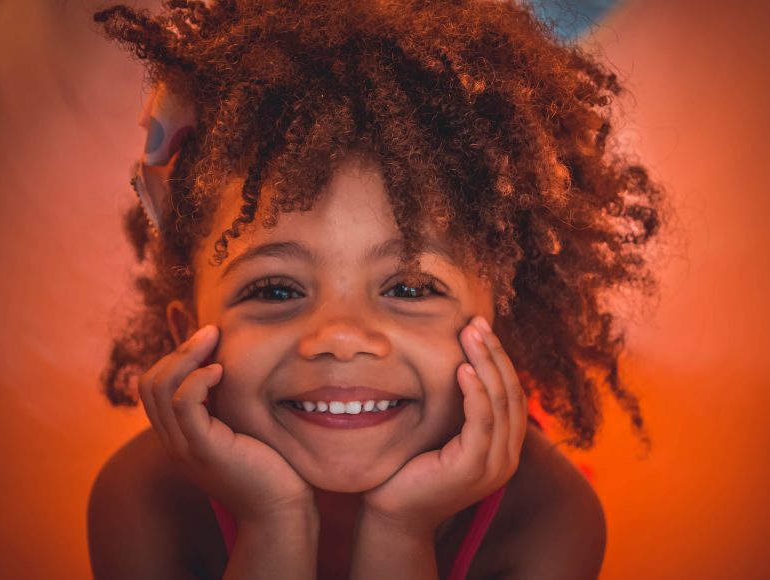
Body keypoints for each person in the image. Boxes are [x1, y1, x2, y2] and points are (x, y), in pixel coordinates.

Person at [87, 0, 662, 578]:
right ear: (189, 339)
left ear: (499, 330)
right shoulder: (144, 499)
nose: (340, 336)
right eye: (278, 290)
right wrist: (273, 524)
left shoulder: (546, 516)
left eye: (411, 288)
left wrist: (398, 532)